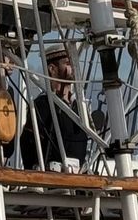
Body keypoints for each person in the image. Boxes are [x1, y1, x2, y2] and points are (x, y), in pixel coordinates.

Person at [13, 44, 89, 172]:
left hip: (77, 180)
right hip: (52, 178)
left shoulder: (79, 107)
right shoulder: (43, 105)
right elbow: (28, 143)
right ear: (52, 69)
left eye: (74, 63)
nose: (73, 68)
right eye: (68, 63)